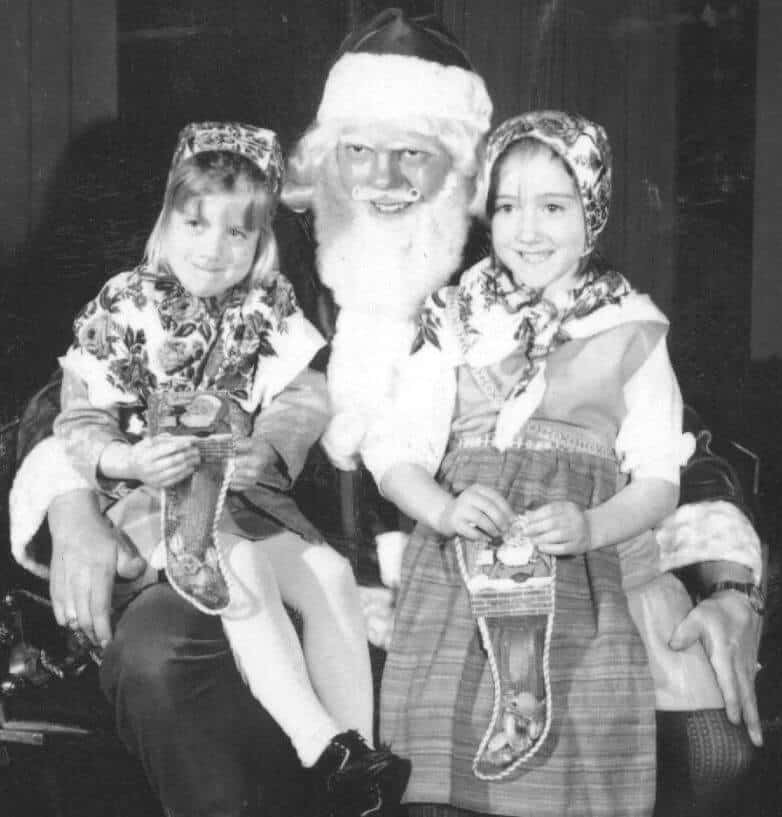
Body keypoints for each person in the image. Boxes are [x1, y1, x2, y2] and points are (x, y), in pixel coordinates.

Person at [8, 8, 764, 817]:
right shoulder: (255, 249)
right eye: (360, 152)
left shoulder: (519, 264)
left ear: (466, 172)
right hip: (269, 576)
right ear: (321, 160)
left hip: (465, 601)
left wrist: (731, 589)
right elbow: (85, 378)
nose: (385, 180)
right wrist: (72, 501)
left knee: (700, 731)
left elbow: (676, 433)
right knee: (159, 648)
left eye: (416, 155)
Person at [12, 121, 409, 817]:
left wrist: (277, 441)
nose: (215, 247)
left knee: (328, 575)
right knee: (202, 607)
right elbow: (66, 408)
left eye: (237, 235)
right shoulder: (132, 301)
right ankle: (324, 747)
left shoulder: (278, 301)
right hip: (180, 515)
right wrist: (87, 490)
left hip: (332, 555)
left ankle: (357, 770)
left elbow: (305, 393)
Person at [359, 108, 690, 815]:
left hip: (579, 569)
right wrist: (443, 508)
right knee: (445, 735)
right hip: (462, 566)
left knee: (574, 727)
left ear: (592, 211)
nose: (528, 229)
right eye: (508, 207)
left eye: (553, 206)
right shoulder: (452, 314)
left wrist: (594, 525)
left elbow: (660, 474)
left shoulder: (629, 325)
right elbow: (393, 450)